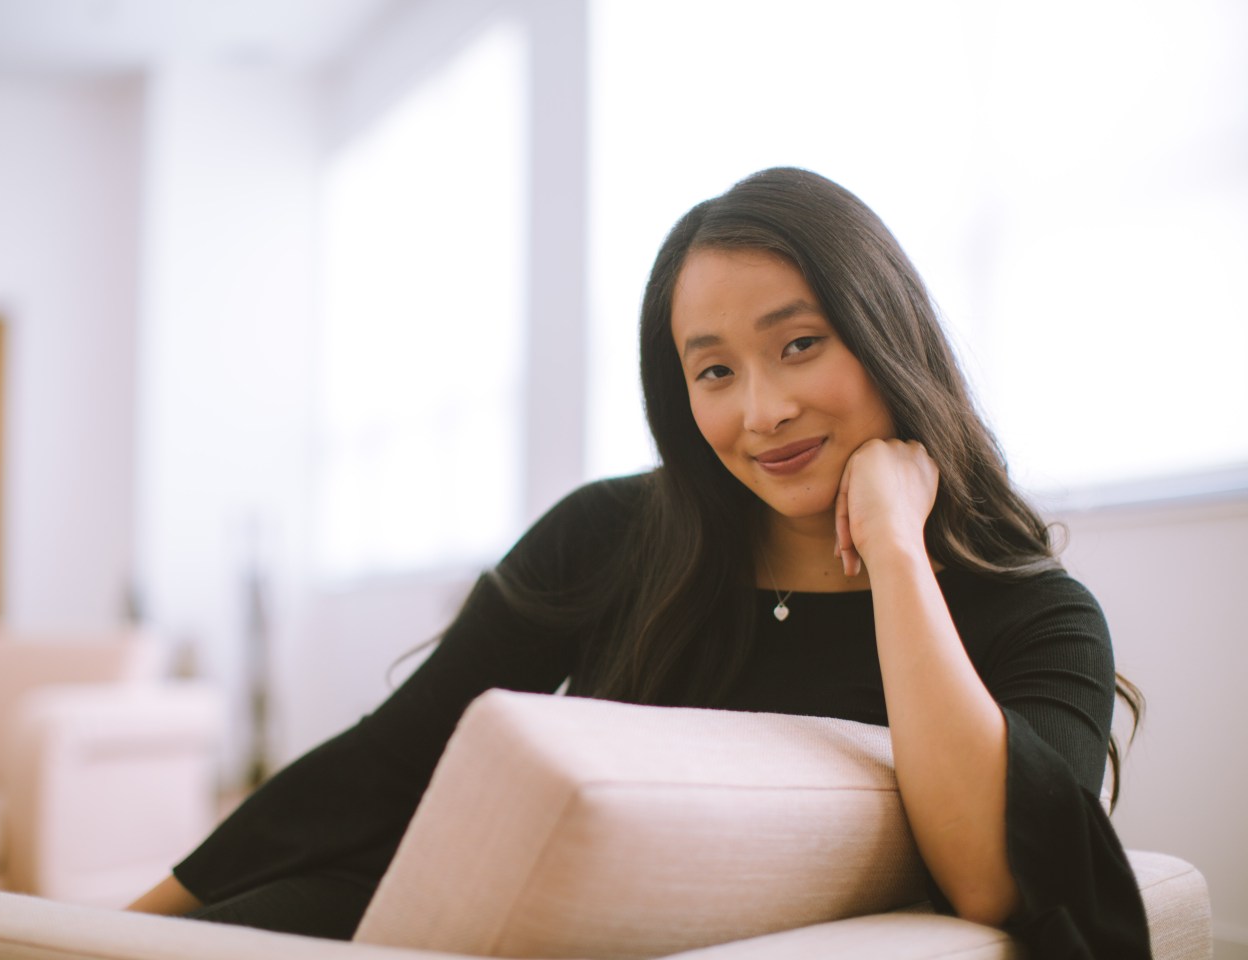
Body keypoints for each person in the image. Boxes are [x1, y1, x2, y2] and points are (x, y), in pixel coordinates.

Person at [128, 167, 1151, 957]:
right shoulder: (611, 534)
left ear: (888, 336)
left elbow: (990, 879)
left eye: (799, 345)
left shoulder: (1037, 618)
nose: (762, 411)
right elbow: (392, 759)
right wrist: (126, 920)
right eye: (714, 370)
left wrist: (893, 550)